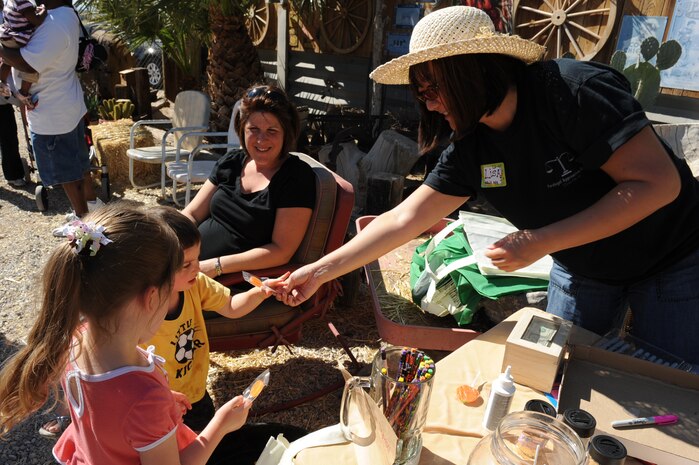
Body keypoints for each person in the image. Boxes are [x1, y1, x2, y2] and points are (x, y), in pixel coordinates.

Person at [280, 6, 699, 365]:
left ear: (475, 71)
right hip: (583, 267)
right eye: (419, 91)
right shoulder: (471, 146)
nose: (426, 102)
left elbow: (657, 184)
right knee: (557, 373)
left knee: (668, 385)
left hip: (670, 257)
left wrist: (540, 239)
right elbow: (405, 218)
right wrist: (317, 272)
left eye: (433, 87)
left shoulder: (572, 94)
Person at [0, 202, 253, 464]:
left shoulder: (74, 339)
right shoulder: (144, 398)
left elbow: (110, 412)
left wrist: (162, 403)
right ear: (152, 297)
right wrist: (221, 426)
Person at [146, 206, 287, 432]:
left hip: (196, 394)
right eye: (186, 265)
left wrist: (261, 291)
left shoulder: (196, 284)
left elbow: (231, 306)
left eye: (198, 259)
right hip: (159, 404)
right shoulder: (138, 310)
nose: (198, 268)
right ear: (154, 269)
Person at [182, 84, 316, 278]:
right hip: (191, 266)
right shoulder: (232, 162)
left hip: (231, 279)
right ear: (242, 130)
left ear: (286, 133)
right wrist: (173, 239)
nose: (261, 139)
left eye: (272, 130)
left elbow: (281, 251)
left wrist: (215, 266)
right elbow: (193, 213)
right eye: (253, 129)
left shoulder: (295, 177)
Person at [0, 0, 98, 220]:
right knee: (80, 165)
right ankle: (93, 207)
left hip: (53, 114)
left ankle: (84, 224)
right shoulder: (65, 14)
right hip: (65, 106)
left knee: (68, 175)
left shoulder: (54, 23)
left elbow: (26, 64)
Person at [0, 0, 45, 108]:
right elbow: (37, 21)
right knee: (31, 66)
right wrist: (44, 10)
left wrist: (34, 10)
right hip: (17, 38)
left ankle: (2, 81)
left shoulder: (10, 1)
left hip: (7, 36)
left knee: (7, 61)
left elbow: (19, 15)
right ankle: (23, 93)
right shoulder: (22, 2)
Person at [0, 74, 24, 187]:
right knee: (9, 141)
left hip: (3, 107)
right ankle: (13, 175)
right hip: (3, 106)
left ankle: (13, 175)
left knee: (9, 141)